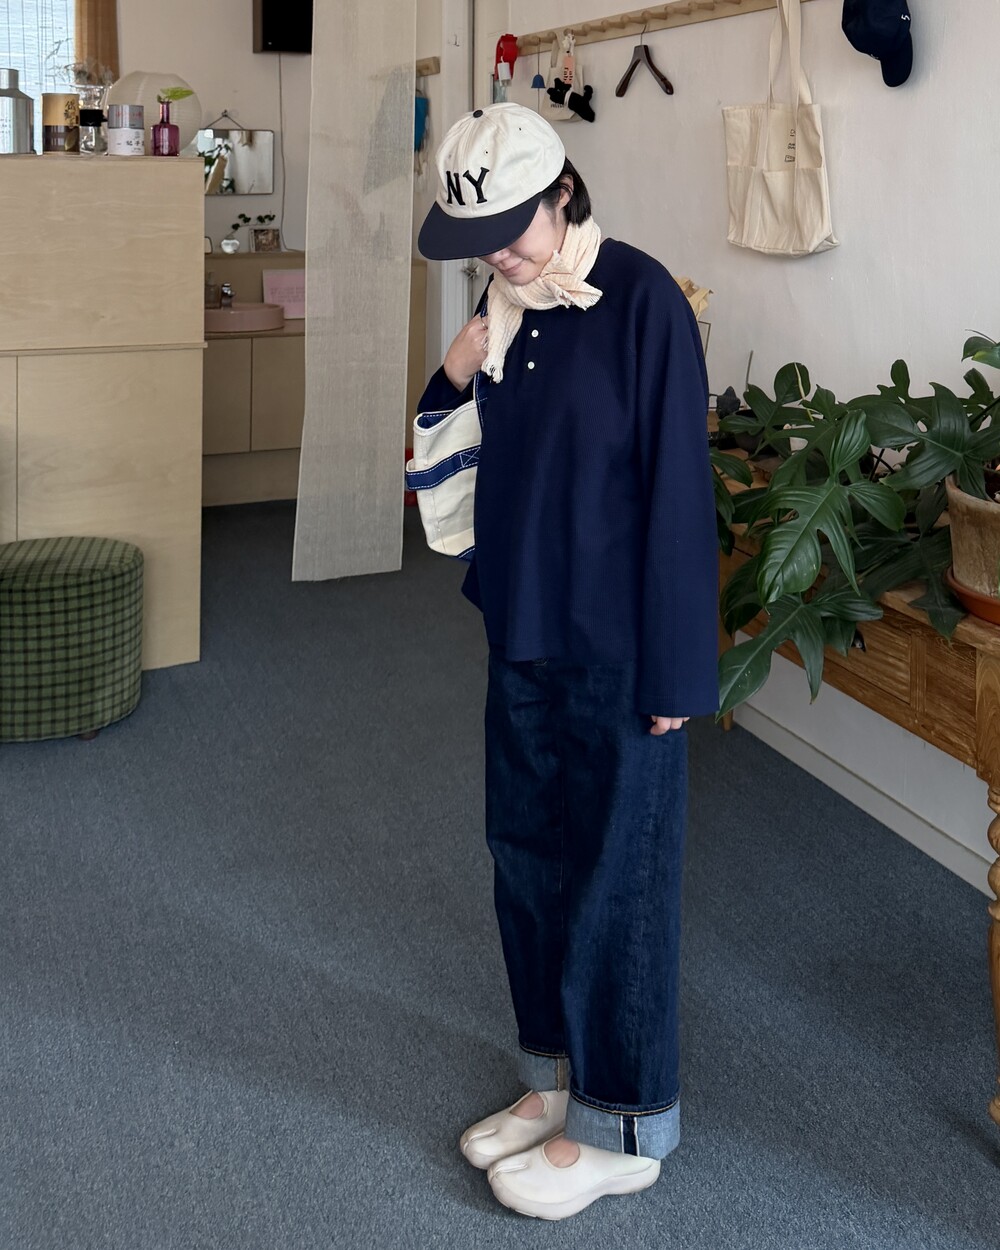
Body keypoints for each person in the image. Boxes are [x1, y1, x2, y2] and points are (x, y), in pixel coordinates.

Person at [415, 103, 719, 1221]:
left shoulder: (641, 299)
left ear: (564, 193)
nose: (498, 252)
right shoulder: (502, 313)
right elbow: (457, 464)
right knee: (526, 857)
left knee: (616, 878)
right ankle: (554, 1081)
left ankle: (623, 1123)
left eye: (512, 227)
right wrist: (453, 373)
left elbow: (679, 497)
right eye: (480, 236)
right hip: (525, 629)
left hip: (621, 648)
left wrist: (677, 672)